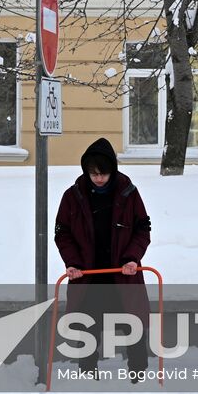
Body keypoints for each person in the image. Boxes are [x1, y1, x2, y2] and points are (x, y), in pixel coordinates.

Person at [53, 137, 152, 381]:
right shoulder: (73, 196)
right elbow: (62, 232)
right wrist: (72, 263)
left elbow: (142, 229)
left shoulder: (129, 193)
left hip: (123, 275)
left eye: (104, 174)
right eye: (94, 173)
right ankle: (88, 378)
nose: (98, 178)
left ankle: (139, 377)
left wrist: (132, 258)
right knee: (87, 327)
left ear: (112, 171)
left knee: (133, 326)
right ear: (86, 171)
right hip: (88, 277)